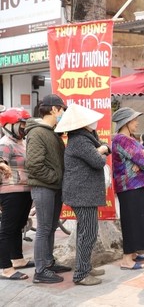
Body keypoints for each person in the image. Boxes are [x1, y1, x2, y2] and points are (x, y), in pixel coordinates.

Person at [55, 104, 109, 286]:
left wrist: (101, 149)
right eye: (91, 120)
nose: (95, 122)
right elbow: (97, 162)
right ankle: (81, 274)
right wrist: (101, 152)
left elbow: (103, 148)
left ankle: (85, 266)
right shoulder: (80, 140)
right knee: (88, 233)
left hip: (84, 193)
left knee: (85, 232)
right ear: (83, 124)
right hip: (81, 194)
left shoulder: (87, 138)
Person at [25, 94, 72, 284]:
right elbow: (34, 165)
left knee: (51, 227)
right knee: (44, 229)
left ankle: (48, 262)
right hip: (44, 187)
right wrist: (55, 178)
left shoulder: (52, 132)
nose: (62, 113)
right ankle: (40, 270)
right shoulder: (37, 132)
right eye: (61, 109)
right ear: (54, 109)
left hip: (53, 187)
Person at [111, 107, 144, 270]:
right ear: (126, 122)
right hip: (129, 187)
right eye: (134, 120)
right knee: (132, 221)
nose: (137, 122)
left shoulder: (131, 139)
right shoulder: (122, 140)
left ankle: (134, 253)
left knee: (138, 220)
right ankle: (127, 259)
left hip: (137, 185)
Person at [0, 107, 33, 281]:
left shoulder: (22, 142)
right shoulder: (5, 143)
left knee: (17, 227)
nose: (24, 127)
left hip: (24, 190)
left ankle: (18, 259)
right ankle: (5, 267)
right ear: (9, 125)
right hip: (10, 191)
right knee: (7, 230)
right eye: (21, 123)